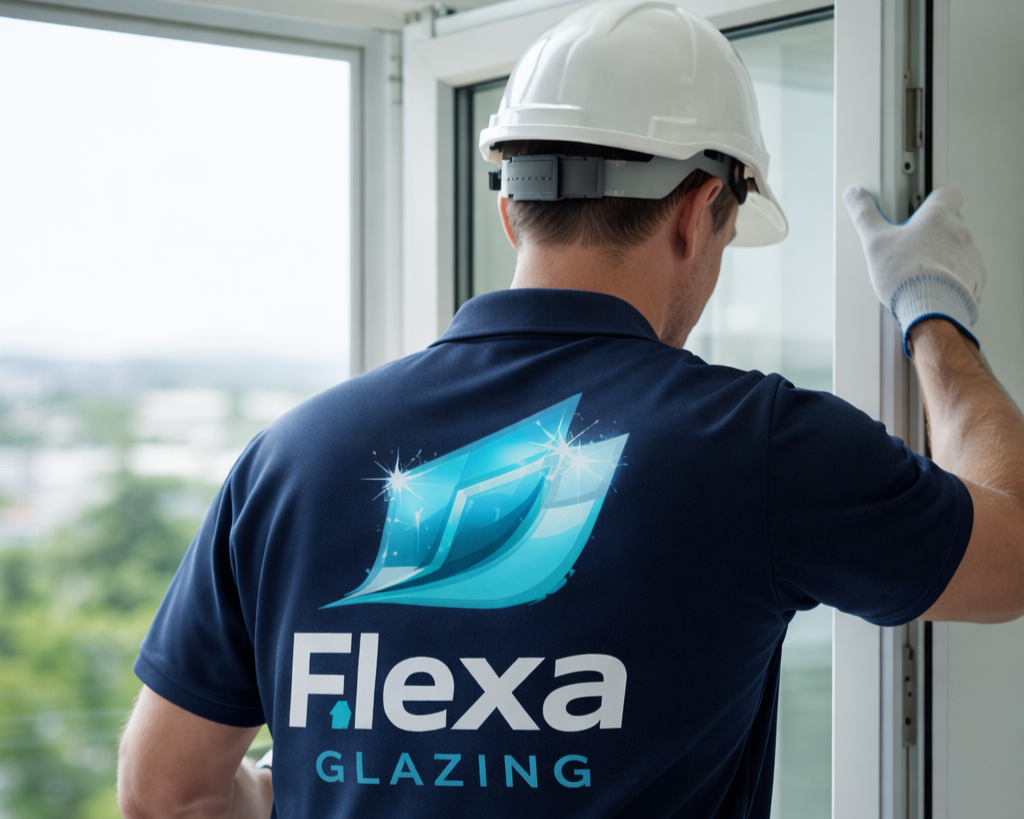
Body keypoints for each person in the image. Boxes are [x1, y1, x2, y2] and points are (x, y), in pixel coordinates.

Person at [117, 1, 1024, 817]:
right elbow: (1013, 552)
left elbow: (166, 793)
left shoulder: (289, 459)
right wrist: (932, 314)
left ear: (512, 210)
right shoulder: (760, 445)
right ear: (698, 210)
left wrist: (311, 778)